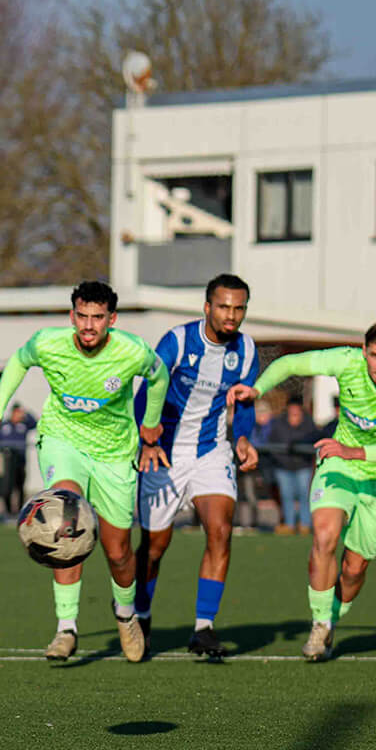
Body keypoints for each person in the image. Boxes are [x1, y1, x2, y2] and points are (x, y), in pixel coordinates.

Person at [0, 280, 170, 662]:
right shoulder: (49, 343)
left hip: (115, 454)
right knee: (65, 523)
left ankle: (126, 615)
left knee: (118, 552)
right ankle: (66, 628)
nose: (89, 325)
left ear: (112, 319)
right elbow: (18, 361)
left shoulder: (132, 351)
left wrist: (150, 424)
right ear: (72, 315)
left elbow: (159, 377)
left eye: (98, 318)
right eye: (82, 316)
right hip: (63, 442)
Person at [229, 321, 376, 661]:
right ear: (364, 352)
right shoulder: (346, 361)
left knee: (354, 569)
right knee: (324, 536)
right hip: (340, 465)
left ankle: (332, 616)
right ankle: (320, 624)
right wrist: (258, 390)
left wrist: (356, 452)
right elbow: (290, 364)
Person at [132, 273, 260, 659]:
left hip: (210, 451)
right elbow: (147, 392)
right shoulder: (178, 341)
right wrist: (146, 440)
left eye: (239, 308)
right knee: (155, 547)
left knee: (220, 529)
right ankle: (141, 615)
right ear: (207, 307)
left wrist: (241, 437)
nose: (231, 315)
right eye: (223, 306)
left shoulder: (247, 350)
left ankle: (203, 627)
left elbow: (245, 402)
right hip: (164, 452)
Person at [267, 395, 319, 535]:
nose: (294, 409)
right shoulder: (279, 423)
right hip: (283, 466)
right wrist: (281, 459)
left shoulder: (308, 423)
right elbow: (272, 442)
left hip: (303, 465)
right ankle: (289, 524)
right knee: (286, 495)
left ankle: (305, 524)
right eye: (292, 406)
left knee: (304, 495)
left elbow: (315, 439)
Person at [0, 403, 37, 516]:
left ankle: (20, 511)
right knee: (7, 486)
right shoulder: (5, 425)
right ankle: (8, 511)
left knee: (20, 486)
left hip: (20, 459)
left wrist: (26, 413)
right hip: (8, 459)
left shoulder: (24, 424)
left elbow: (36, 423)